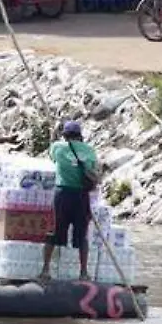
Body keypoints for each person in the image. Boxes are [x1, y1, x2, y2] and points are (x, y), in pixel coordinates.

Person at [39, 121, 100, 283]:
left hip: (63, 194)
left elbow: (51, 154)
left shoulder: (58, 148)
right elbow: (95, 172)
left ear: (65, 135)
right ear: (80, 135)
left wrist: (53, 134)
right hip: (81, 196)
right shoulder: (89, 150)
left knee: (54, 233)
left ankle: (45, 270)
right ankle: (84, 272)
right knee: (82, 236)